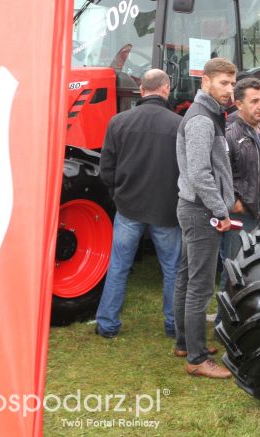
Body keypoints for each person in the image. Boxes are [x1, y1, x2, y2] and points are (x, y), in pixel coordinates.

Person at [95, 69, 182, 339]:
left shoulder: (118, 122)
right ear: (166, 89)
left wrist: (118, 195)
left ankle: (107, 324)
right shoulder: (179, 124)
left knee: (119, 265)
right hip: (166, 209)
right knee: (173, 270)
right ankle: (173, 325)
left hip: (128, 207)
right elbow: (186, 172)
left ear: (141, 90)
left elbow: (106, 168)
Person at [174, 57, 237, 379]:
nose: (229, 89)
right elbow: (200, 173)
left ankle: (186, 342)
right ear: (206, 82)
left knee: (187, 278)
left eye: (231, 83)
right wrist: (221, 211)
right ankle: (197, 358)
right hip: (201, 211)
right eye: (223, 83)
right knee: (199, 285)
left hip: (196, 207)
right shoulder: (202, 120)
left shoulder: (210, 115)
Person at [216, 77, 260, 322]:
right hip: (242, 215)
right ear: (238, 104)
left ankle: (255, 316)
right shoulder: (229, 134)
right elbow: (220, 175)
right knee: (234, 267)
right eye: (254, 101)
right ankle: (224, 321)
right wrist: (235, 203)